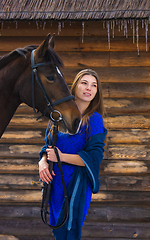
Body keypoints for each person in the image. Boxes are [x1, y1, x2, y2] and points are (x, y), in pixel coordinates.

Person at [38, 69, 107, 240]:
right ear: (75, 86)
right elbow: (47, 146)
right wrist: (43, 162)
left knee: (69, 233)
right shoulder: (58, 116)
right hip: (55, 184)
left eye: (93, 85)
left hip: (76, 184)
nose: (88, 88)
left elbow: (94, 157)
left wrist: (61, 157)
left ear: (97, 92)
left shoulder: (94, 120)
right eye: (84, 83)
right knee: (58, 232)